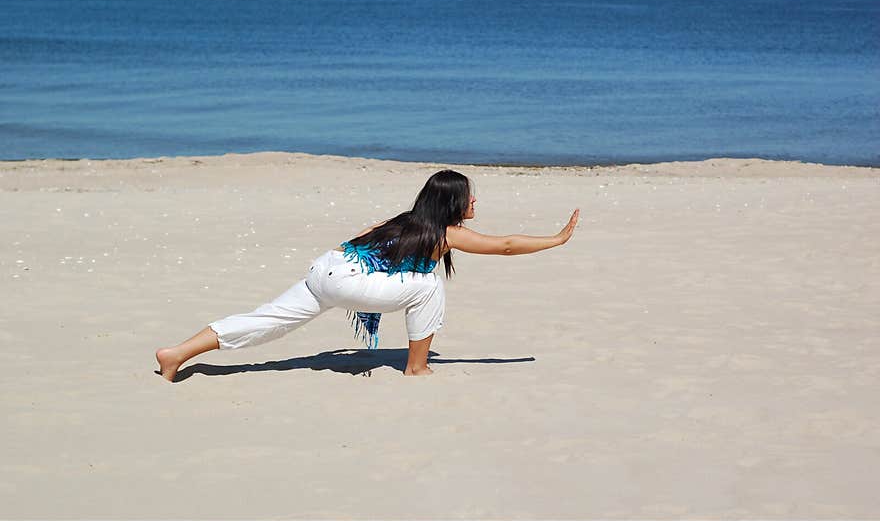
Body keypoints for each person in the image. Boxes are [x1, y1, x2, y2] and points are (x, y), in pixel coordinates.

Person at [155, 169, 579, 381]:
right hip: (348, 280)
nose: (474, 201)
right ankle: (417, 368)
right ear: (453, 203)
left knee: (268, 320)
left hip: (329, 266)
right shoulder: (447, 233)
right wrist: (556, 240)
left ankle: (176, 354)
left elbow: (361, 237)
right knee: (428, 285)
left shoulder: (407, 219)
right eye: (470, 196)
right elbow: (504, 245)